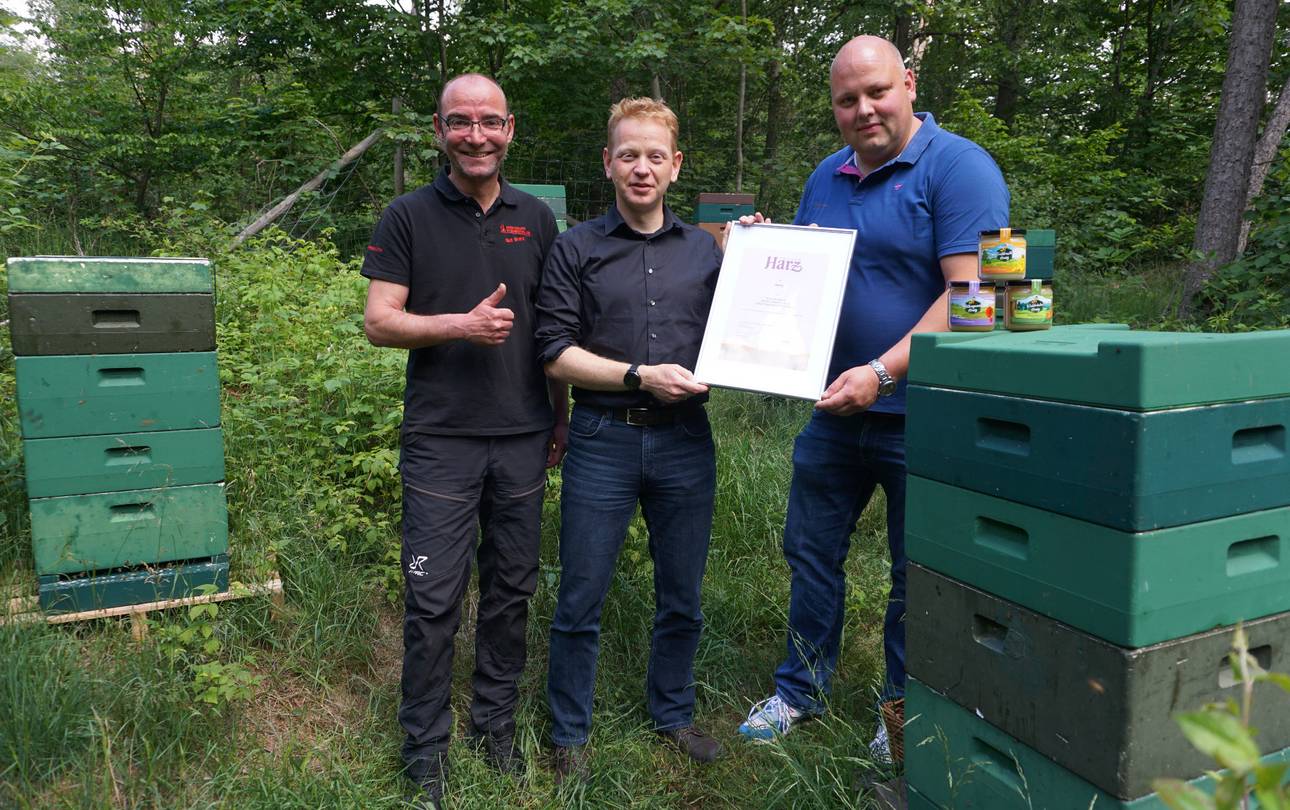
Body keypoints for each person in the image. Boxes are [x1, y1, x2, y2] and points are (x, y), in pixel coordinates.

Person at [735, 35, 1010, 761]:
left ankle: (902, 712)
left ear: (909, 83)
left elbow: (983, 296)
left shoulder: (965, 168)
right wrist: (760, 252)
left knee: (915, 572)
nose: (864, 109)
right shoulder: (825, 175)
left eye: (877, 92)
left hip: (926, 414)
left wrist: (882, 374)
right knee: (810, 553)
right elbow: (805, 280)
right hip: (835, 409)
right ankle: (800, 690)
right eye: (847, 99)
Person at [360, 73, 567, 808]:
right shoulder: (407, 216)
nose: (475, 135)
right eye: (459, 122)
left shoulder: (537, 218)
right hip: (441, 439)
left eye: (488, 121)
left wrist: (561, 414)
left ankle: (494, 727)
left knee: (511, 590)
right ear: (439, 131)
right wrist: (461, 324)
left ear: (510, 129)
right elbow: (379, 321)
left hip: (523, 434)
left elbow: (551, 329)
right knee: (433, 599)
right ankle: (424, 747)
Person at [534, 97, 724, 783]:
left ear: (676, 166)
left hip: (686, 439)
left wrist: (764, 257)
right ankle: (569, 734)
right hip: (601, 438)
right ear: (608, 163)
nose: (642, 168)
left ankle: (672, 714)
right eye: (628, 155)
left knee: (683, 593)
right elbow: (554, 352)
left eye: (655, 156)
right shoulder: (575, 248)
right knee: (581, 593)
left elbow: (749, 328)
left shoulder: (706, 252)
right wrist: (639, 375)